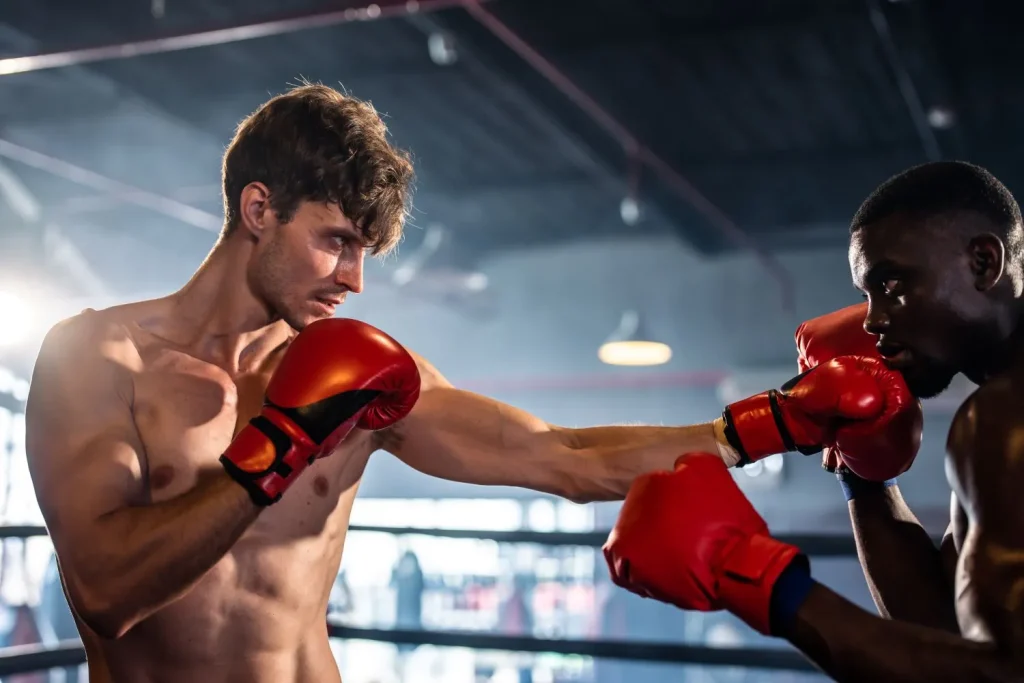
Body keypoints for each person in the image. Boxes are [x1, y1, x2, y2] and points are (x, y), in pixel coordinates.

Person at [22, 83, 900, 683]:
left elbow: (559, 455)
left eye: (365, 252)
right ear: (259, 210)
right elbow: (105, 592)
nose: (354, 279)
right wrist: (278, 450)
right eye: (336, 241)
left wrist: (771, 423)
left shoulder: (359, 373)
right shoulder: (97, 359)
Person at [603, 160, 1024, 681]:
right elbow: (943, 630)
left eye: (892, 283)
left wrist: (759, 577)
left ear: (983, 262)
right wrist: (863, 472)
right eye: (866, 295)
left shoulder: (1003, 416)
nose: (872, 320)